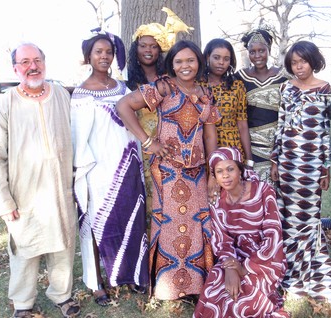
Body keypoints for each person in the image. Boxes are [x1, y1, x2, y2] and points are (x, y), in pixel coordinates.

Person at [116, 40, 221, 301]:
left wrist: (212, 173)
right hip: (168, 171)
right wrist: (148, 141)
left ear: (199, 62)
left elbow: (210, 137)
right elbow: (123, 106)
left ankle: (196, 285)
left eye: (190, 60)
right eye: (179, 61)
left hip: (197, 172)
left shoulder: (205, 94)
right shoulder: (163, 87)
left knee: (197, 225)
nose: (185, 66)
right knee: (173, 225)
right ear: (171, 64)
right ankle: (169, 287)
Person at [0, 43, 80, 318]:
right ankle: (23, 303)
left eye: (37, 60)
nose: (33, 66)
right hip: (23, 191)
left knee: (63, 245)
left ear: (45, 63)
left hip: (60, 188)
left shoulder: (61, 94)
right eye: (25, 62)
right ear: (15, 68)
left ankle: (61, 295)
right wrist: (3, 199)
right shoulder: (6, 103)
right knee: (24, 249)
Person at [71, 32, 149, 307]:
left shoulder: (123, 88)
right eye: (98, 52)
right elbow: (78, 141)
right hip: (97, 171)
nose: (104, 57)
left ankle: (133, 273)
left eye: (108, 52)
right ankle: (96, 283)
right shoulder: (81, 94)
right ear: (89, 57)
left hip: (128, 164)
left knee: (132, 221)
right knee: (95, 225)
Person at [270, 41, 331, 303]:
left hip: (310, 166)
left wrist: (326, 167)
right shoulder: (286, 88)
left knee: (307, 221)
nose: (298, 67)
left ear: (313, 61)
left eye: (303, 61)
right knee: (288, 220)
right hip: (287, 162)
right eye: (294, 62)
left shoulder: (325, 90)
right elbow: (281, 125)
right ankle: (290, 277)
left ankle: (311, 274)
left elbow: (325, 131)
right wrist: (275, 160)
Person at [194, 147, 289, 318]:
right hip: (235, 257)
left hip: (265, 260)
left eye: (230, 169)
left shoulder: (263, 191)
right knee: (216, 278)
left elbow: (273, 235)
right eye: (219, 171)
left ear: (240, 169)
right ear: (214, 176)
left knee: (240, 297)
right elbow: (222, 240)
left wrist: (244, 268)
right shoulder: (217, 203)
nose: (225, 175)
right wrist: (231, 268)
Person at [235, 28, 288, 184]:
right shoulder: (240, 77)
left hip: (278, 145)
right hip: (251, 145)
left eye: (261, 51)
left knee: (277, 192)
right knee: (254, 191)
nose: (257, 56)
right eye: (252, 52)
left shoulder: (284, 77)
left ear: (269, 50)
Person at [126, 23, 165, 220]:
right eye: (143, 45)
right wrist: (147, 142)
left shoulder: (168, 77)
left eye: (153, 46)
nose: (148, 50)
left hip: (167, 148)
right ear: (135, 49)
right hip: (140, 149)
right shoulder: (126, 81)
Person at [201, 38, 252, 163]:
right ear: (208, 57)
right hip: (203, 147)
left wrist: (249, 159)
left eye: (226, 59)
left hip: (232, 147)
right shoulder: (197, 85)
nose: (221, 63)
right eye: (216, 57)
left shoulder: (237, 86)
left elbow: (242, 125)